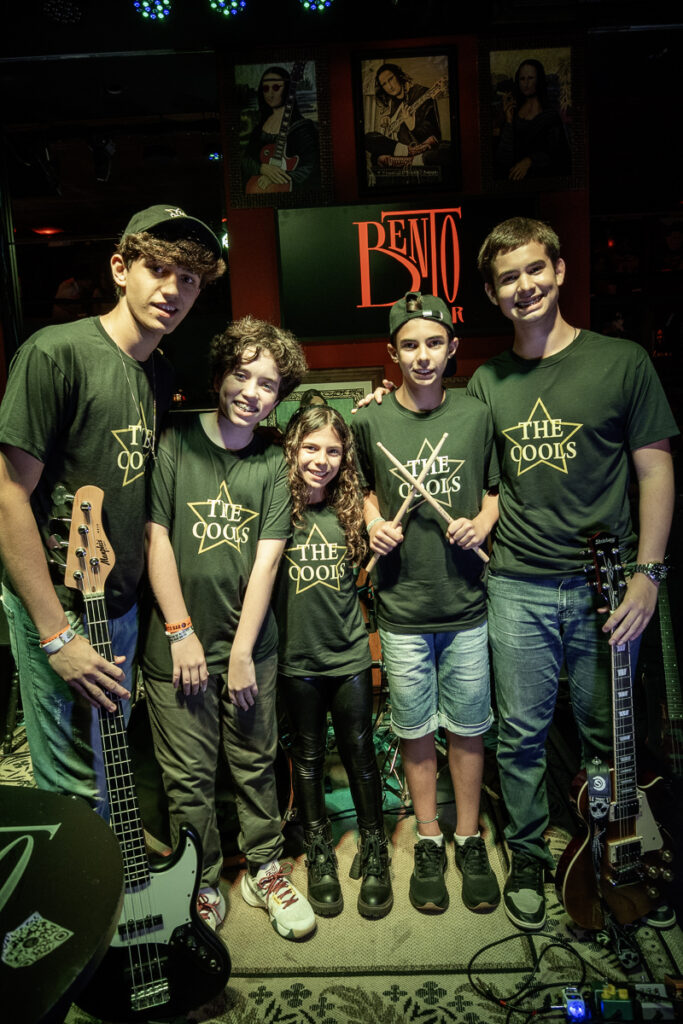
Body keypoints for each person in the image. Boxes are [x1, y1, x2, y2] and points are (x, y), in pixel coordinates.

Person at [469, 216, 677, 929]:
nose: (524, 286)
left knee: (605, 734)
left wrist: (648, 574)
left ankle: (613, 857)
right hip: (516, 584)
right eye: (508, 278)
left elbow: (655, 469)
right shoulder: (487, 381)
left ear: (558, 270)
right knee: (520, 734)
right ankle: (529, 854)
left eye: (535, 269)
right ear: (493, 294)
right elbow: (479, 476)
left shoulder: (621, 362)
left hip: (606, 585)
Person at [0, 204, 225, 816]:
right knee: (73, 787)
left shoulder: (158, 372)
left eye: (189, 279)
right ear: (121, 269)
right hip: (61, 604)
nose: (172, 290)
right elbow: (8, 495)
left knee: (107, 765)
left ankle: (115, 870)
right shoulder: (56, 353)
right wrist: (56, 636)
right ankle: (81, 881)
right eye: (159, 270)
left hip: (119, 603)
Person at [140, 316, 316, 938]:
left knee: (255, 763)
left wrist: (241, 652)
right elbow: (156, 539)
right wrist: (180, 631)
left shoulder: (274, 461)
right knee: (188, 777)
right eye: (242, 375)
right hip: (176, 649)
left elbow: (267, 562)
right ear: (219, 375)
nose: (251, 391)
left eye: (267, 384)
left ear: (279, 395)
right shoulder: (174, 439)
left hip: (250, 648)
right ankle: (202, 878)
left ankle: (265, 869)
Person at [352, 292, 501, 915]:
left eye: (434, 343)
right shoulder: (369, 421)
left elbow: (493, 491)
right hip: (402, 608)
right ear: (392, 353)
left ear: (452, 348)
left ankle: (468, 837)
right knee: (414, 732)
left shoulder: (475, 415)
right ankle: (430, 838)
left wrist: (481, 523)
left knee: (468, 729)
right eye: (409, 345)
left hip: (465, 604)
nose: (422, 355)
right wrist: (373, 523)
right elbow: (361, 490)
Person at [274, 405, 393, 920]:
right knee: (307, 756)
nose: (320, 459)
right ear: (292, 450)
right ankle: (319, 848)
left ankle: (375, 846)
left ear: (344, 458)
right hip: (296, 659)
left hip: (348, 657)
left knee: (360, 753)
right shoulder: (275, 510)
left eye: (332, 450)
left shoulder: (351, 512)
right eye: (310, 447)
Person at [241, 65, 320, 195]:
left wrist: (277, 177)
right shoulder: (259, 127)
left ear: (287, 89)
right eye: (265, 88)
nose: (270, 94)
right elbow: (246, 160)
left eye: (276, 87)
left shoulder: (302, 128)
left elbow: (310, 167)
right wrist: (261, 168)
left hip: (289, 191)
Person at [364, 63, 448, 175]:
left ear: (399, 76)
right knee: (368, 138)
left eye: (390, 79)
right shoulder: (393, 103)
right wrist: (388, 120)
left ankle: (411, 159)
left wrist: (412, 125)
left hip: (420, 147)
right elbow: (392, 133)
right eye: (384, 84)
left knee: (444, 150)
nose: (390, 86)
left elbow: (433, 135)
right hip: (401, 151)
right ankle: (409, 155)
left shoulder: (421, 93)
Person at [495, 59, 571, 182]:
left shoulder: (550, 116)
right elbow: (503, 157)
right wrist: (509, 121)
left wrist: (530, 161)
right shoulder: (513, 113)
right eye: (522, 79)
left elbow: (558, 155)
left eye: (530, 78)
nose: (526, 83)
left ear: (539, 80)